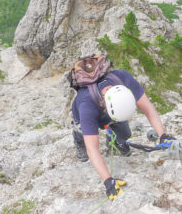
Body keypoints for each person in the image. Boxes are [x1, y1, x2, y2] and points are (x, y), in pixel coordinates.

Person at [72, 68, 175, 200]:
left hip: (111, 114)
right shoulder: (87, 105)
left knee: (125, 133)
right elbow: (92, 148)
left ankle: (113, 141)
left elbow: (148, 108)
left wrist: (162, 135)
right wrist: (108, 181)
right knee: (84, 137)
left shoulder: (123, 78)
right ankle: (78, 139)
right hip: (84, 116)